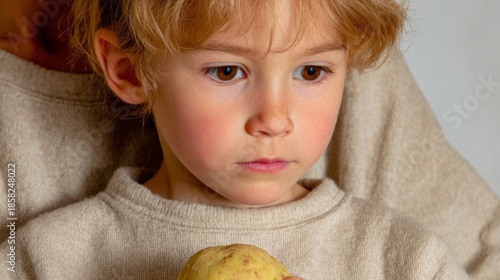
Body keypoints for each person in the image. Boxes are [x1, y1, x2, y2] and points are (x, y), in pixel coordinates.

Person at [1, 0, 471, 279]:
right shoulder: (47, 257)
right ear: (128, 69)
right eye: (227, 71)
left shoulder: (405, 260)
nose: (274, 119)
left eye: (312, 71)